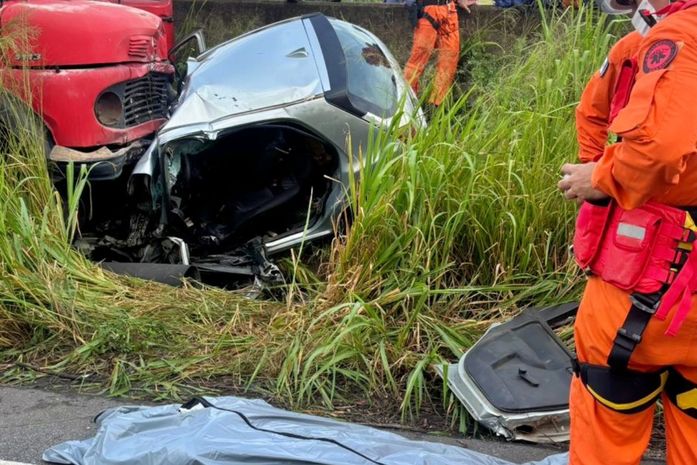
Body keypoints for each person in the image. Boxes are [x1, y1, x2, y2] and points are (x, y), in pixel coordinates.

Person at [558, 0, 697, 463]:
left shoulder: (674, 37)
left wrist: (601, 179)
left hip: (646, 287)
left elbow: (660, 149)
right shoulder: (635, 45)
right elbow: (593, 113)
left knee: (606, 426)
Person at [403, 0, 476, 107]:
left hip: (449, 9)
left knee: (449, 62)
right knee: (417, 60)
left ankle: (436, 105)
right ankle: (405, 100)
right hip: (428, 10)